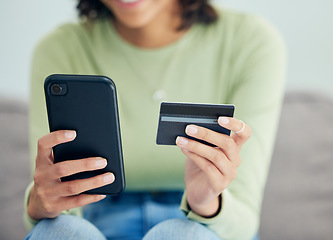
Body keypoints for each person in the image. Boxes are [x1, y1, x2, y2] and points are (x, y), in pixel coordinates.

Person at [24, 0, 286, 239]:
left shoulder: (250, 42)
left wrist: (206, 202)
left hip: (207, 224)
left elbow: (243, 224)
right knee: (59, 231)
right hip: (95, 217)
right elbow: (52, 211)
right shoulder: (60, 48)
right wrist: (41, 202)